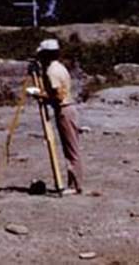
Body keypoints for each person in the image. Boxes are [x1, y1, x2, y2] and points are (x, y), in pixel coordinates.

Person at [31, 38, 83, 195]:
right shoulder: (60, 67)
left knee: (71, 150)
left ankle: (75, 186)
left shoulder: (52, 71)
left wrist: (40, 95)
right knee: (71, 148)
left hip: (64, 109)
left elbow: (58, 95)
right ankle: (73, 184)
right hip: (68, 108)